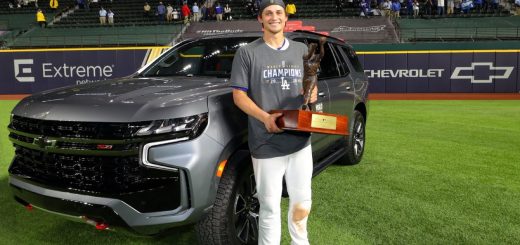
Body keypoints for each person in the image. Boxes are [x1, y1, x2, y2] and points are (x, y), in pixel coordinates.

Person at [230, 0, 317, 244]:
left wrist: (311, 93)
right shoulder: (247, 52)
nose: (274, 17)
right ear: (260, 18)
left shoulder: (301, 49)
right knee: (269, 207)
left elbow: (312, 87)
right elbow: (238, 96)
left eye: (279, 12)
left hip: (300, 140)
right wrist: (265, 118)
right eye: (268, 13)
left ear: (285, 18)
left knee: (303, 202)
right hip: (266, 141)